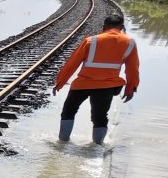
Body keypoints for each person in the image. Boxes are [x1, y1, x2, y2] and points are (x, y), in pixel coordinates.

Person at [52, 13, 139, 144]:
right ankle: (97, 147)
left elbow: (72, 63)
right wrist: (130, 89)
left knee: (68, 111)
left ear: (104, 26)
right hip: (107, 87)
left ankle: (62, 143)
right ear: (122, 27)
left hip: (82, 84)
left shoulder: (91, 40)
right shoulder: (130, 43)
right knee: (100, 117)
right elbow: (133, 69)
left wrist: (60, 82)